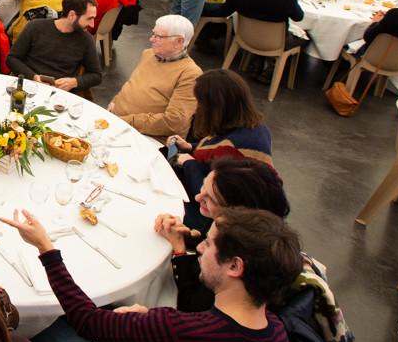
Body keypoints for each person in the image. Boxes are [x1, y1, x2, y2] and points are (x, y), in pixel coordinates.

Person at [2, 206, 301, 342]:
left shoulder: (181, 335)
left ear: (235, 266)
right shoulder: (277, 339)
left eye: (209, 244)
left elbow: (85, 319)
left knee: (38, 329)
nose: (201, 248)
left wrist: (46, 248)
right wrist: (148, 324)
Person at [156, 158, 292, 301]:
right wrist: (190, 235)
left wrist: (179, 251)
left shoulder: (242, 262)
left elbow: (193, 303)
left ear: (236, 212)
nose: (198, 197)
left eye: (211, 199)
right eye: (203, 187)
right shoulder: (230, 223)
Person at [170, 70, 273, 205]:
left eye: (200, 103)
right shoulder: (253, 125)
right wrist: (191, 147)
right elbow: (215, 148)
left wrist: (188, 163)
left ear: (215, 108)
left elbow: (207, 195)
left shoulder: (234, 147)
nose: (196, 109)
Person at [108, 15, 201, 138]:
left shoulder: (190, 74)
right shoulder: (148, 54)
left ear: (179, 41)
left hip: (148, 137)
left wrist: (125, 122)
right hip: (117, 123)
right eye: (153, 34)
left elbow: (174, 122)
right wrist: (114, 102)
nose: (151, 39)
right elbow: (131, 85)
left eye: (159, 36)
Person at [6, 0, 101, 96]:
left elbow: (96, 75)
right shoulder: (35, 28)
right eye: (89, 18)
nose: (92, 25)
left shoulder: (85, 39)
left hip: (60, 96)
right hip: (28, 88)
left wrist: (75, 82)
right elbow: (12, 58)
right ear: (72, 15)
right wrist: (34, 77)